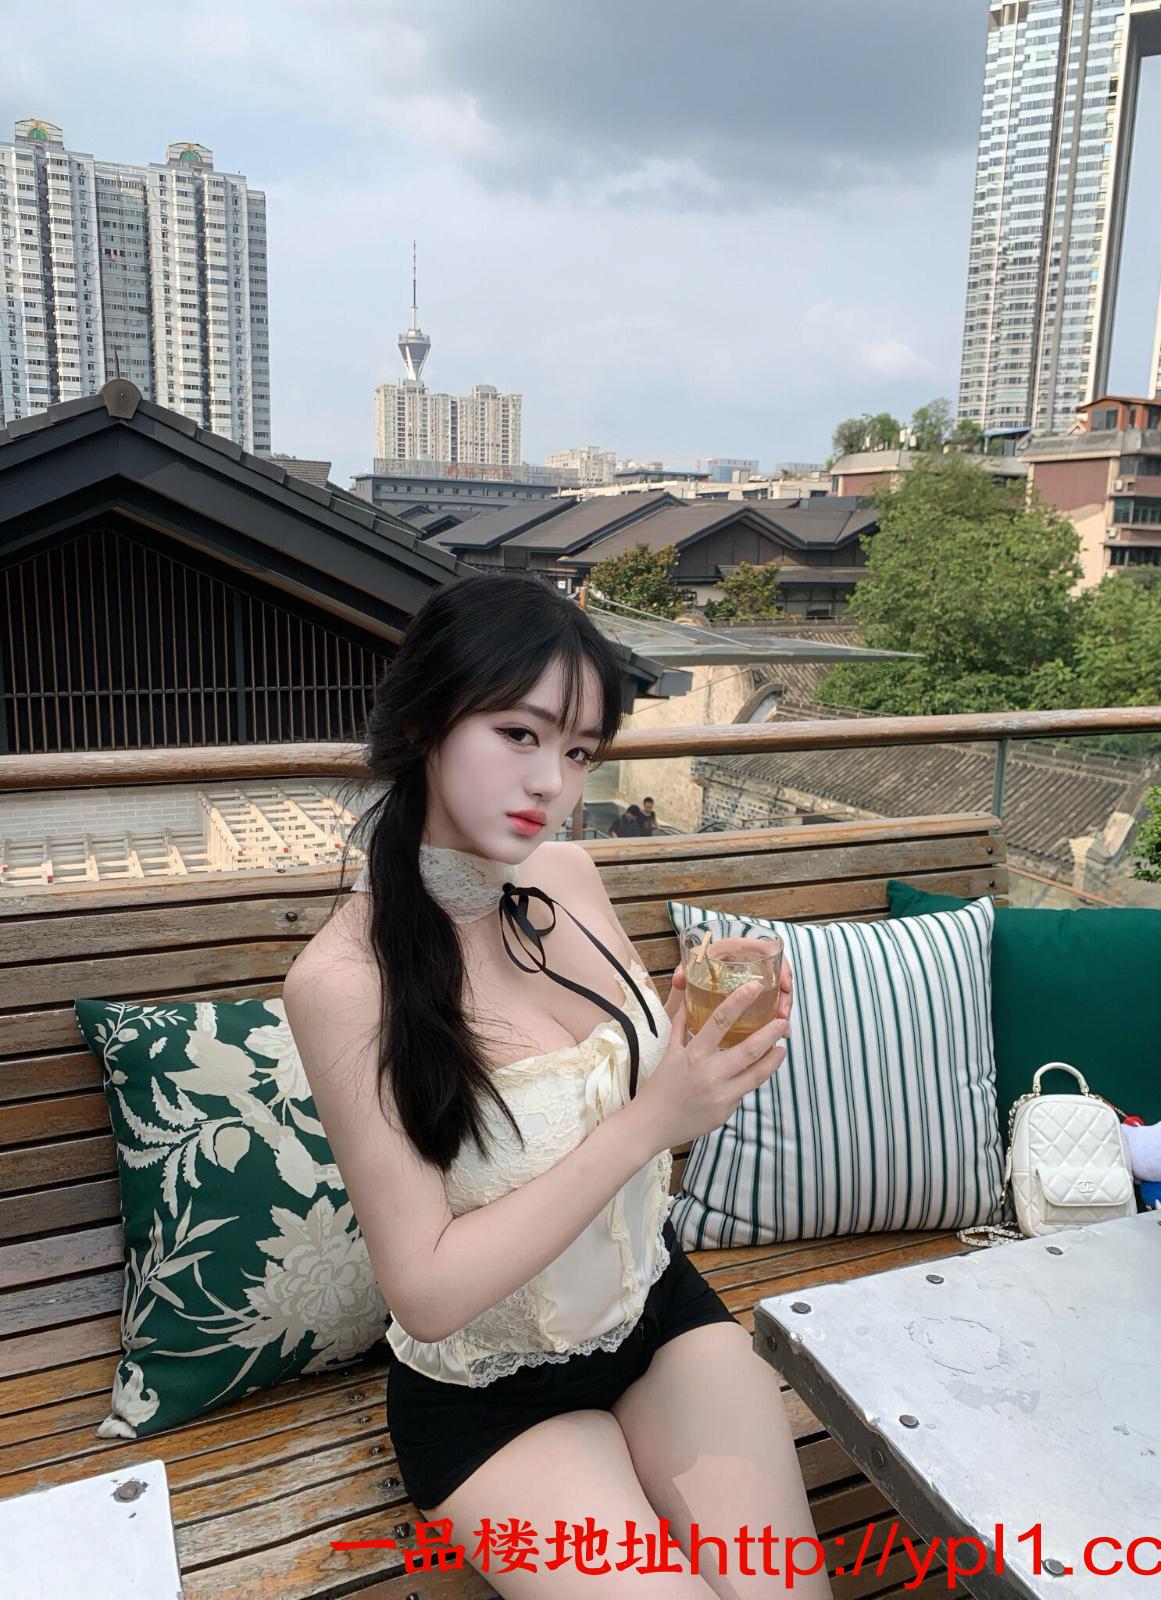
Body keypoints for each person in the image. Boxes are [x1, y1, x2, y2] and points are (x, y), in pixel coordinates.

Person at [284, 573, 832, 1599]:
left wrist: (690, 1029)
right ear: (424, 721)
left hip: (657, 1311)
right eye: (518, 733)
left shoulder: (566, 878)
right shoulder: (345, 982)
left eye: (579, 752)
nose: (551, 783)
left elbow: (611, 1084)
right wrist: (653, 1122)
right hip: (490, 1401)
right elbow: (426, 1292)